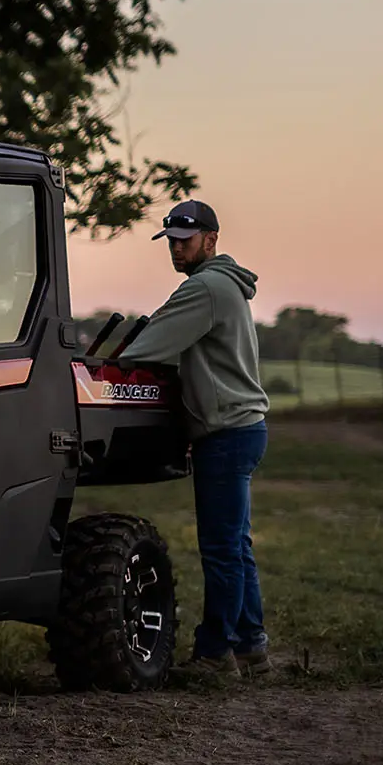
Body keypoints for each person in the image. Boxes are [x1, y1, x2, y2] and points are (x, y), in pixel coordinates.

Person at [118, 200, 272, 679]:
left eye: (185, 240)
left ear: (211, 239)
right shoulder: (226, 286)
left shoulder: (204, 289)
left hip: (226, 433)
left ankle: (214, 655)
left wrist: (102, 364)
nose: (177, 249)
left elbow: (145, 349)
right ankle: (251, 645)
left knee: (221, 548)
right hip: (243, 427)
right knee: (236, 545)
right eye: (171, 241)